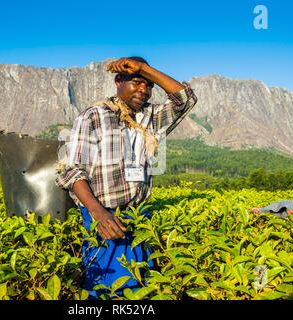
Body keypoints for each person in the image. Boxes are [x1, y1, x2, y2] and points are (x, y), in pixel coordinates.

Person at [55, 56, 197, 298]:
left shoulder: (151, 116)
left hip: (139, 215)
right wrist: (99, 214)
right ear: (118, 81)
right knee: (105, 286)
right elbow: (73, 170)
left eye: (148, 84)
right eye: (136, 82)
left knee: (141, 284)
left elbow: (185, 99)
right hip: (103, 215)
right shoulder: (93, 116)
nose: (144, 89)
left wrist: (143, 69)